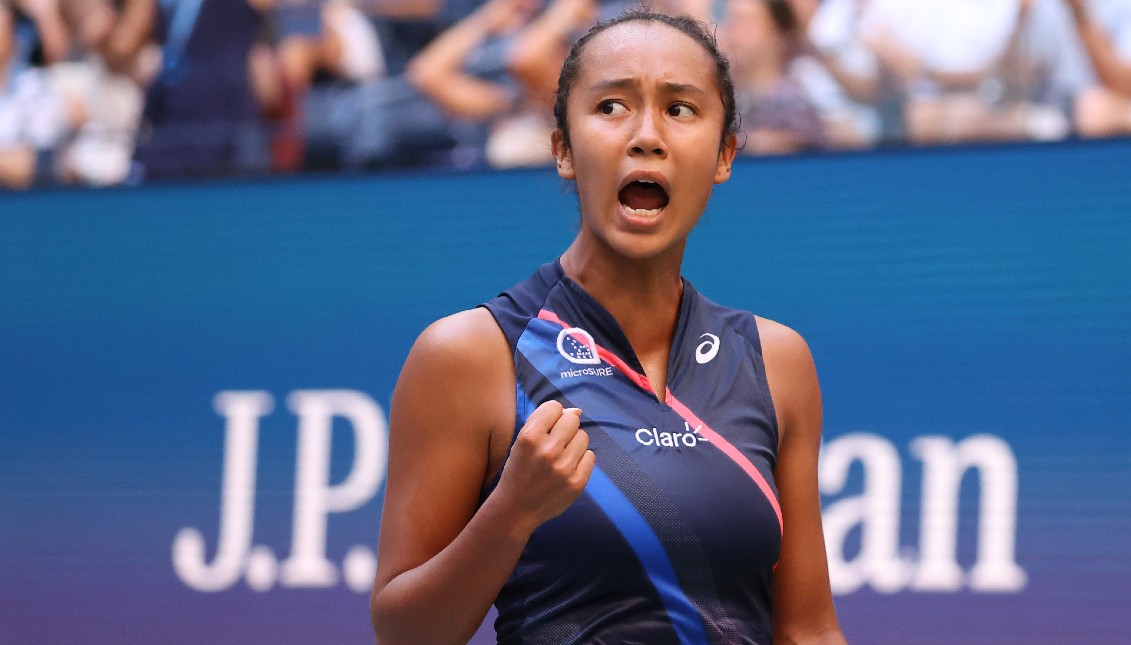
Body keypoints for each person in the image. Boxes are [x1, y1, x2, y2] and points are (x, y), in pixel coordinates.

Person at [370, 9, 846, 645]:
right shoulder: (469, 354)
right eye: (612, 106)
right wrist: (510, 514)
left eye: (680, 110)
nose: (647, 135)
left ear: (725, 153)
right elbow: (404, 635)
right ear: (563, 148)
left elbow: (808, 631)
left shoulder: (777, 362)